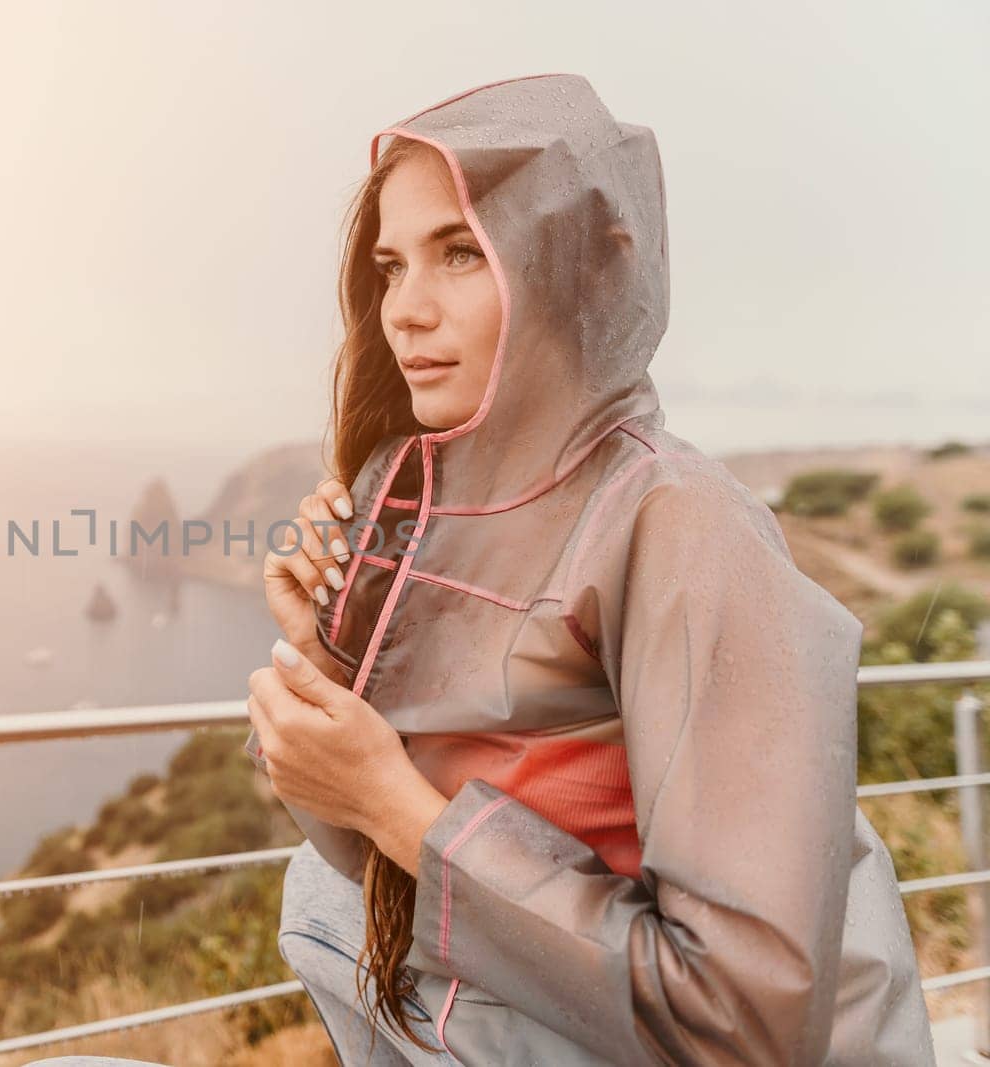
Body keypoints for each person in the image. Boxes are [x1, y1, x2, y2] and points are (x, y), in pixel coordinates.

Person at [243, 72, 936, 1065]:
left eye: (462, 252)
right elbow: (380, 855)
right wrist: (323, 665)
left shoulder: (686, 526)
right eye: (391, 265)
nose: (405, 310)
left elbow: (742, 1012)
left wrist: (389, 797)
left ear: (588, 268)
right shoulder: (428, 502)